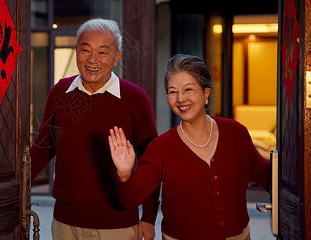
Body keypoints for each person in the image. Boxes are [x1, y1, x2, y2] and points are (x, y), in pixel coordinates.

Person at [108, 54, 271, 240]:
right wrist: (124, 174)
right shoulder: (160, 148)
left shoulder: (236, 133)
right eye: (172, 92)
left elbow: (265, 176)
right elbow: (131, 199)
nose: (180, 99)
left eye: (188, 89)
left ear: (206, 93)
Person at [30, 18, 160, 240]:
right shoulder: (60, 92)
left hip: (117, 225)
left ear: (117, 57)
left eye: (103, 52)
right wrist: (12, 188)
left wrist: (148, 217)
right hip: (65, 224)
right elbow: (43, 149)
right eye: (86, 50)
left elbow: (151, 162)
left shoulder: (135, 98)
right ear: (76, 51)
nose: (92, 59)